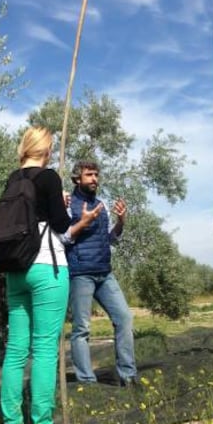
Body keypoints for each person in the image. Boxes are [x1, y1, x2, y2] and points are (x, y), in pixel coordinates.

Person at [0, 128, 101, 424]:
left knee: (16, 351)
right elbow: (60, 226)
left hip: (15, 271)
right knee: (45, 350)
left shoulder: (13, 180)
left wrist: (55, 203)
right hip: (47, 268)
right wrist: (64, 207)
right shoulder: (49, 177)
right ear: (46, 149)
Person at [66, 161, 138, 385]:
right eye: (89, 175)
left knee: (124, 318)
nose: (94, 179)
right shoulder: (68, 204)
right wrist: (83, 221)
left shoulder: (101, 205)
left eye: (96, 174)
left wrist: (121, 221)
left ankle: (128, 375)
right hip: (80, 273)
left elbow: (111, 238)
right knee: (82, 328)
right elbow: (64, 236)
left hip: (105, 273)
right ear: (77, 179)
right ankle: (87, 381)